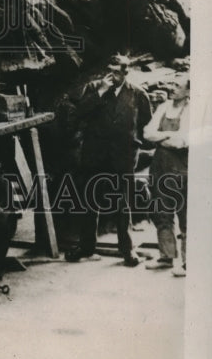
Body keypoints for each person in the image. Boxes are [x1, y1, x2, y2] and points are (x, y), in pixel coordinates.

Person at [65, 56, 152, 266]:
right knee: (90, 202)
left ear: (126, 72)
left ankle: (127, 250)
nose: (113, 76)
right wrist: (101, 92)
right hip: (95, 154)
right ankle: (86, 247)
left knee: (123, 204)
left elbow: (145, 121)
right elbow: (79, 113)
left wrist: (131, 141)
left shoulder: (138, 94)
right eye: (110, 71)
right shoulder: (94, 88)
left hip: (123, 156)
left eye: (118, 72)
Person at [144, 76, 190, 276]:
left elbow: (183, 141)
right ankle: (166, 256)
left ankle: (189, 262)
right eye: (172, 85)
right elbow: (147, 132)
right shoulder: (163, 107)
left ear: (188, 91)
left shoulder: (192, 110)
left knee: (185, 215)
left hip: (181, 169)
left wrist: (160, 137)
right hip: (160, 167)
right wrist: (168, 136)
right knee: (161, 212)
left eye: (177, 86)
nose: (172, 89)